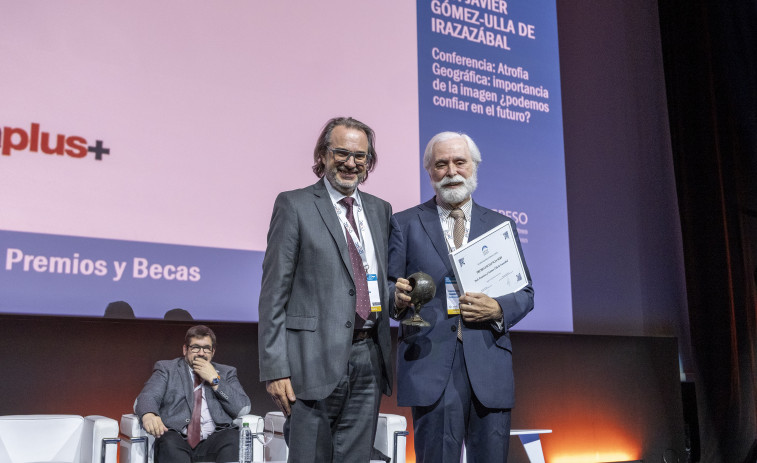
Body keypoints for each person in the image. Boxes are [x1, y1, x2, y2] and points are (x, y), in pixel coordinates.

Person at [388, 132, 534, 463]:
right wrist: (396, 299)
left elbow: (525, 293)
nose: (451, 171)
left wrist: (498, 308)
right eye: (441, 164)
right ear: (429, 171)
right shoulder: (404, 224)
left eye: (460, 162)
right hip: (430, 363)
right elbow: (386, 288)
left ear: (474, 167)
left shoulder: (501, 225)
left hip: (488, 361)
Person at [258, 116, 393, 462]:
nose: (351, 162)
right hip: (311, 360)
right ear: (323, 154)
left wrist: (399, 295)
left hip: (368, 358)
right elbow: (274, 293)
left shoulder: (380, 210)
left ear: (369, 162)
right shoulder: (294, 205)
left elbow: (372, 280)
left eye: (360, 156)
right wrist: (276, 369)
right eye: (341, 153)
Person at [134, 325, 251, 462]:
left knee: (233, 438)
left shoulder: (226, 372)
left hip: (214, 441)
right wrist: (149, 414)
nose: (201, 353)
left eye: (206, 348)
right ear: (185, 350)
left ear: (213, 352)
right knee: (167, 441)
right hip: (177, 439)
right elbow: (148, 396)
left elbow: (243, 408)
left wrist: (215, 381)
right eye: (195, 347)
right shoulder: (167, 369)